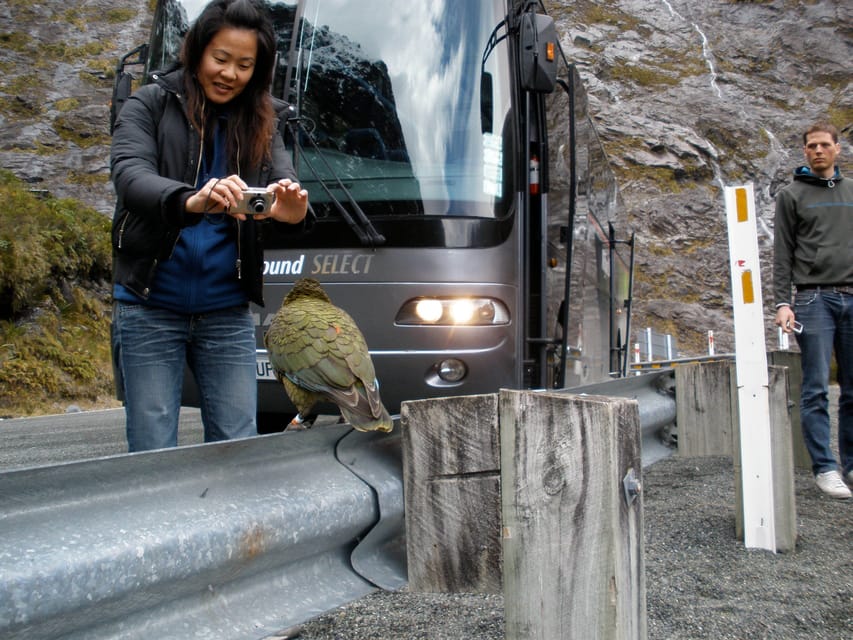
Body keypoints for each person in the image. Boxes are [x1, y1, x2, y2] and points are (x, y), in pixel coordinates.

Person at [110, 0, 308, 452]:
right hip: (148, 303)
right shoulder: (149, 104)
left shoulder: (264, 119)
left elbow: (286, 190)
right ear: (197, 51)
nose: (230, 74)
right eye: (221, 59)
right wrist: (191, 199)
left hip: (226, 311)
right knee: (153, 448)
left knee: (237, 446)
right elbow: (130, 176)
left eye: (244, 65)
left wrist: (290, 208)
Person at [773, 122, 853, 499]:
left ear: (838, 149)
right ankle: (825, 468)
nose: (817, 151)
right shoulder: (791, 196)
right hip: (813, 299)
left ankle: (851, 464)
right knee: (816, 388)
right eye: (811, 146)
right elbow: (782, 254)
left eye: (824, 145)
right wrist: (783, 302)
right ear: (804, 152)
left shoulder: (852, 191)